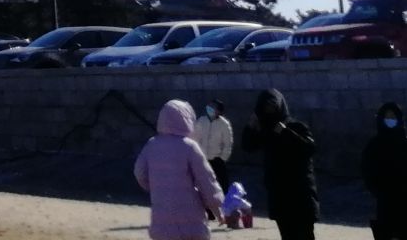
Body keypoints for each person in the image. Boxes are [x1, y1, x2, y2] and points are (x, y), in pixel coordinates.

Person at [134, 99, 225, 240]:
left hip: (161, 221)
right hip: (191, 221)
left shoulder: (151, 145)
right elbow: (206, 180)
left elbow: (139, 173)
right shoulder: (190, 147)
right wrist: (216, 207)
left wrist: (156, 187)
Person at [242, 89, 319, 240]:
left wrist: (285, 132)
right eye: (266, 107)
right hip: (280, 196)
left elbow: (309, 148)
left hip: (300, 195)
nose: (269, 110)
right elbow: (248, 146)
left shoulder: (296, 126)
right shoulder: (266, 131)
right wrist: (251, 126)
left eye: (272, 105)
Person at [362, 101, 407, 240]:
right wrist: (385, 193)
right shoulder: (374, 147)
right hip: (388, 209)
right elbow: (368, 175)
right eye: (387, 117)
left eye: (393, 117)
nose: (391, 120)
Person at [196, 99, 235, 193]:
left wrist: (223, 158)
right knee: (202, 184)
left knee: (222, 184)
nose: (209, 109)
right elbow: (195, 138)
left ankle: (223, 203)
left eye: (213, 107)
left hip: (217, 159)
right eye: (209, 106)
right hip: (203, 158)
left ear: (219, 111)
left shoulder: (224, 124)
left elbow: (228, 143)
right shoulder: (201, 120)